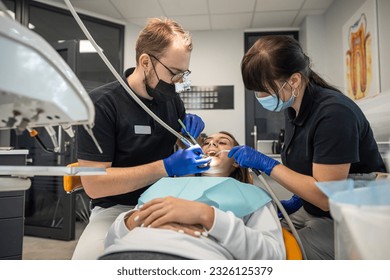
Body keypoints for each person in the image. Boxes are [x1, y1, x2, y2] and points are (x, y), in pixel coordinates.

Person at [229, 35, 386, 260]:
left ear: (294, 80)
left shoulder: (334, 114)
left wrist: (267, 164)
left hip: (353, 219)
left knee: (273, 252)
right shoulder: (294, 108)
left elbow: (325, 196)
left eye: (264, 90)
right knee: (260, 231)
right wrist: (299, 199)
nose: (260, 97)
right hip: (315, 209)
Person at [72, 18, 211, 259]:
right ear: (145, 62)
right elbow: (94, 186)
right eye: (174, 73)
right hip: (114, 209)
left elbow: (177, 146)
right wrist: (165, 167)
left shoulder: (171, 100)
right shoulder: (100, 105)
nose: (179, 84)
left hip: (166, 201)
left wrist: (188, 138)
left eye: (183, 74)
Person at [100, 131, 285, 260]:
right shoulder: (166, 184)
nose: (212, 144)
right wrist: (131, 220)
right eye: (207, 142)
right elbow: (111, 239)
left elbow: (273, 256)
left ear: (236, 162)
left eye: (222, 142)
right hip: (126, 254)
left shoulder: (252, 195)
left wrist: (209, 217)